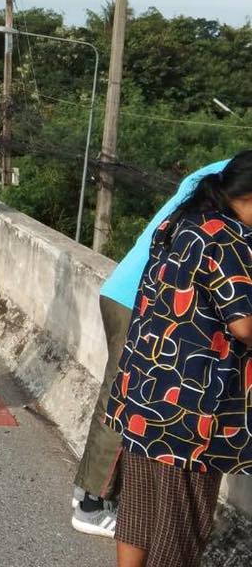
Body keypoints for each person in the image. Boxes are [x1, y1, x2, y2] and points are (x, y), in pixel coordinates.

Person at [106, 152, 252, 567]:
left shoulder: (184, 220)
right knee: (187, 509)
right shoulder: (229, 238)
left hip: (145, 384)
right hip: (193, 400)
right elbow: (244, 324)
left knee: (144, 495)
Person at [71, 156, 233, 538]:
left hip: (132, 290)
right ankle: (92, 503)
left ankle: (95, 494)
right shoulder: (235, 181)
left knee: (126, 396)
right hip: (144, 299)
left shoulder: (221, 171)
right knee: (128, 400)